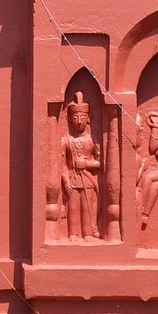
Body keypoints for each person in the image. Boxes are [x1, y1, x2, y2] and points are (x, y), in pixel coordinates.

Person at [60, 92, 102, 240]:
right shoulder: (66, 140)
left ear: (88, 119)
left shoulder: (92, 139)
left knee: (87, 207)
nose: (79, 122)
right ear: (69, 119)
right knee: (73, 208)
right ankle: (73, 233)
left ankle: (88, 233)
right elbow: (61, 164)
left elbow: (100, 162)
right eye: (75, 118)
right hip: (73, 180)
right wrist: (65, 181)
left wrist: (87, 163)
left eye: (82, 118)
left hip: (88, 180)